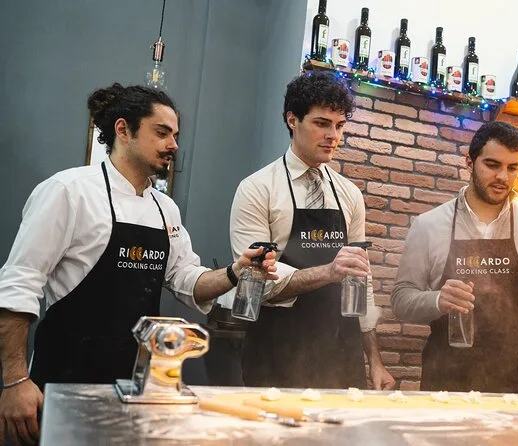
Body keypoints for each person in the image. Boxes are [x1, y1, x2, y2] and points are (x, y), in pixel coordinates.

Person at [0, 83, 277, 446]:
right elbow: (19, 284)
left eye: (175, 135)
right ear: (123, 130)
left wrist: (235, 271)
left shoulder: (165, 209)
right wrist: (15, 381)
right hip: (64, 382)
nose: (173, 144)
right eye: (161, 133)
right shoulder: (69, 191)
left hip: (135, 389)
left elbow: (187, 280)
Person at [218, 71, 395, 390]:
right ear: (292, 120)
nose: (333, 136)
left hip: (341, 354)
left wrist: (375, 360)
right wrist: (328, 272)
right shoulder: (258, 189)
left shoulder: (349, 194)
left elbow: (360, 281)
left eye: (340, 125)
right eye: (322, 123)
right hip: (276, 354)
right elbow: (254, 283)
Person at [391, 121, 518, 395]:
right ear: (469, 162)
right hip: (446, 382)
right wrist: (438, 300)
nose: (503, 176)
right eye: (492, 165)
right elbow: (401, 300)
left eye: (512, 168)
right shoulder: (429, 225)